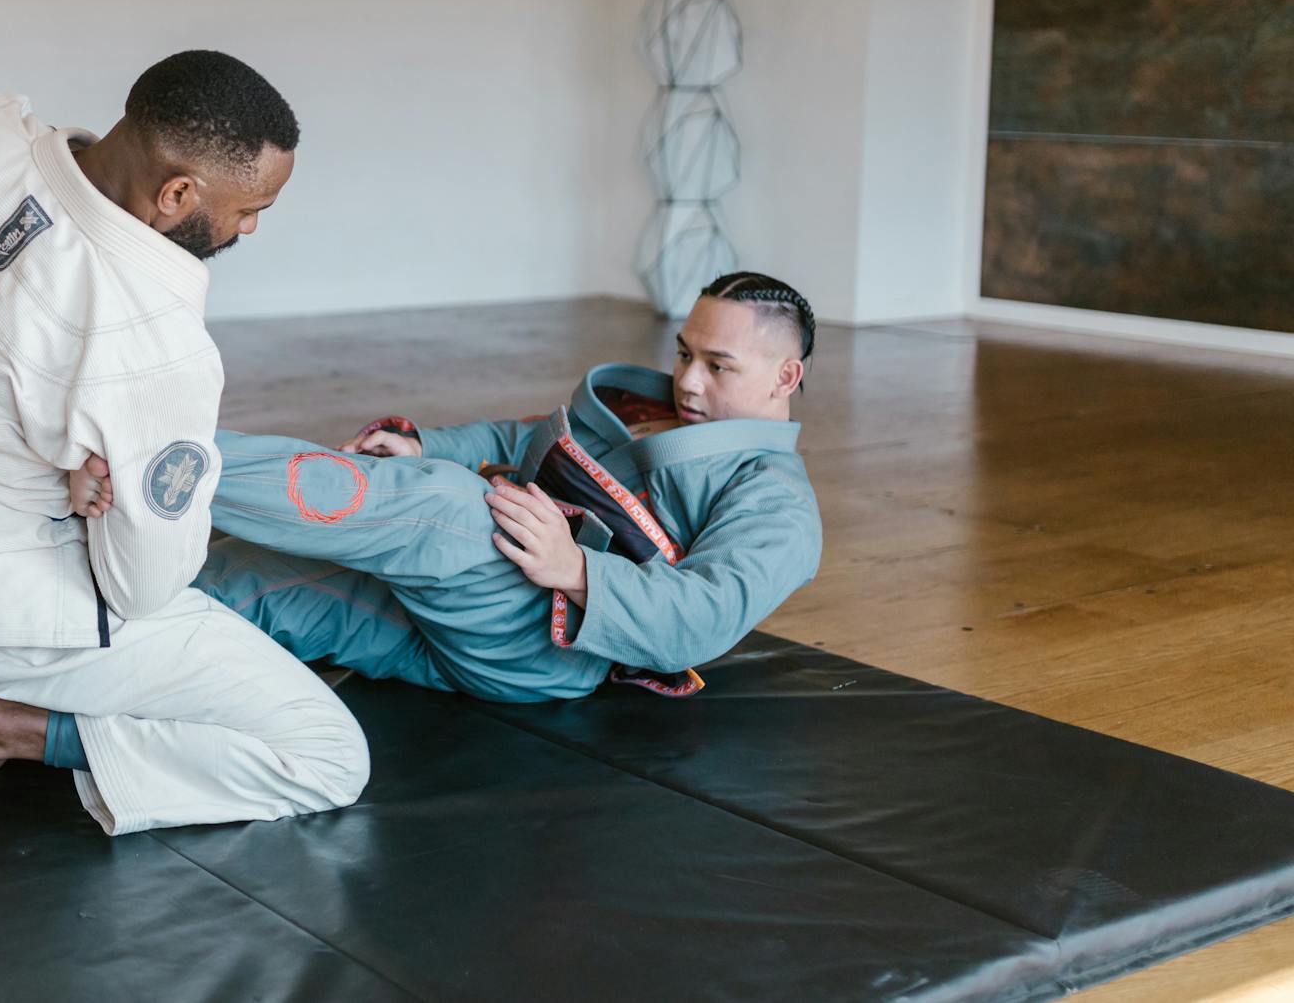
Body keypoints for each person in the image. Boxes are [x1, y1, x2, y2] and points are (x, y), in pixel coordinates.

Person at [0, 51, 369, 837]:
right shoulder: (149, 339)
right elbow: (142, 587)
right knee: (327, 754)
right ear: (177, 193)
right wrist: (84, 488)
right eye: (250, 206)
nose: (252, 225)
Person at [93, 273, 825, 704]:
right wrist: (424, 444)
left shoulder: (779, 506)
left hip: (545, 647)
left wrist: (576, 570)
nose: (688, 379)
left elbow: (699, 620)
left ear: (784, 376)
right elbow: (522, 441)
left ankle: (137, 458)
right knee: (252, 581)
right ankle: (49, 637)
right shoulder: (651, 409)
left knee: (439, 506)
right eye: (684, 352)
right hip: (468, 613)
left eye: (718, 365)